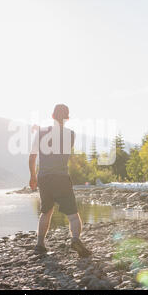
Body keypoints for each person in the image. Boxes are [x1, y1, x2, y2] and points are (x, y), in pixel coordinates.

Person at [29, 104, 91, 257]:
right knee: (73, 214)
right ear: (68, 118)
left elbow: (32, 156)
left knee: (46, 211)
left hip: (43, 178)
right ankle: (75, 239)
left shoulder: (41, 133)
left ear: (52, 116)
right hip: (61, 178)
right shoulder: (71, 135)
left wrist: (32, 176)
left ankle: (40, 244)